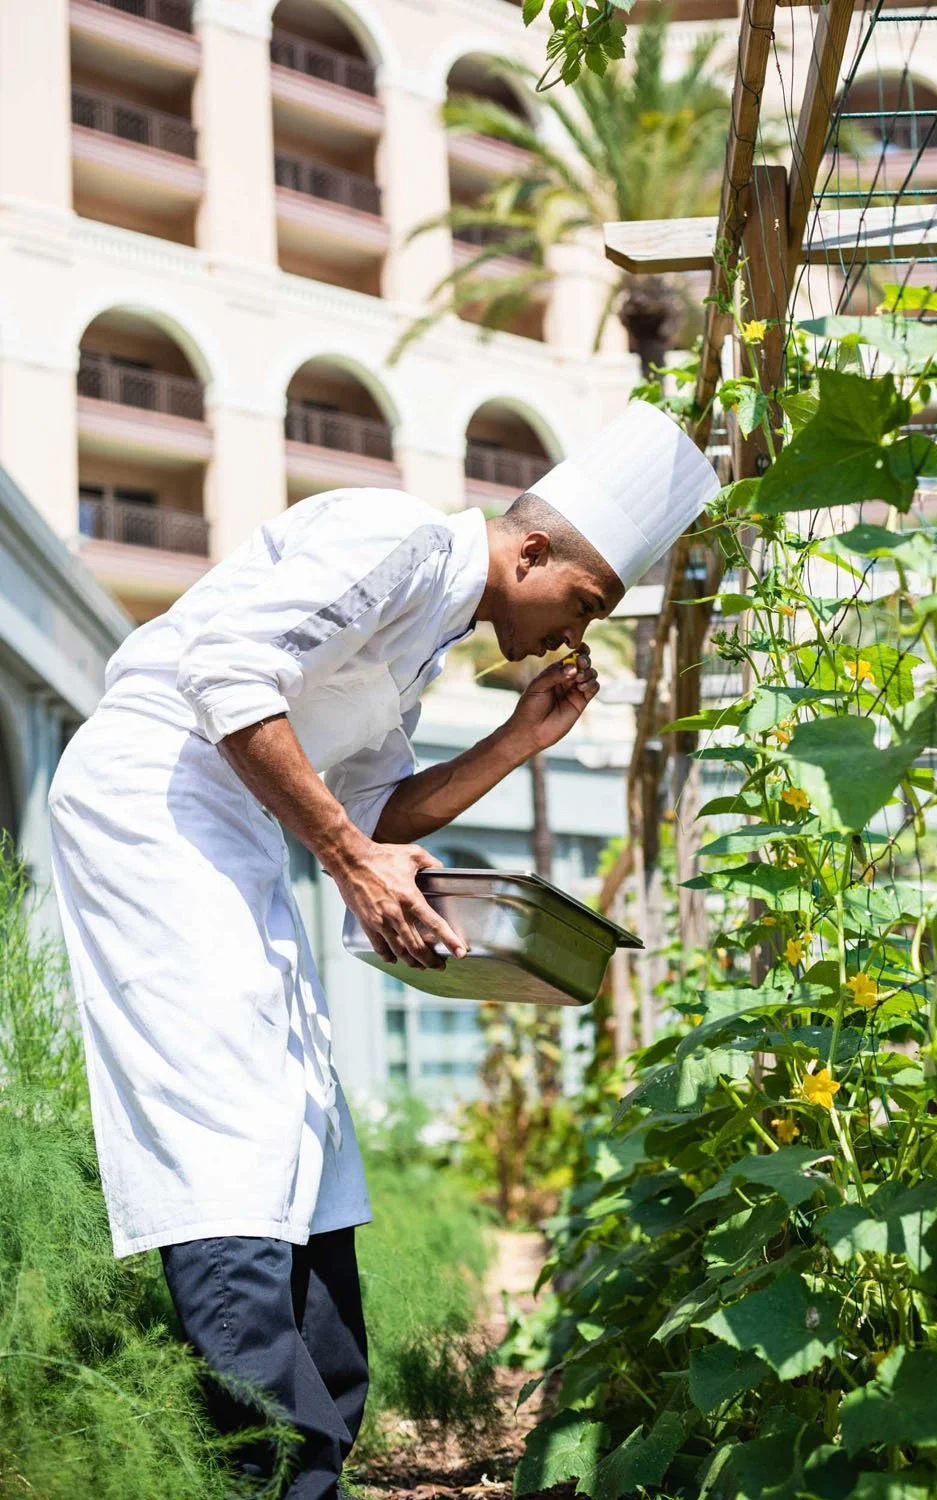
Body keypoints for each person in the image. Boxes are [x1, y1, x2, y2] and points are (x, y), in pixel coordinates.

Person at [48, 399, 719, 1498]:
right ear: (532, 548)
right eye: (582, 602)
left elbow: (376, 805)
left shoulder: (427, 638)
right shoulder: (393, 535)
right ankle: (275, 1464)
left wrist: (515, 740)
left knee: (301, 1126)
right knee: (220, 1120)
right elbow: (228, 678)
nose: (576, 630)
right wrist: (348, 859)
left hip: (233, 829)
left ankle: (325, 1436)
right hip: (152, 798)